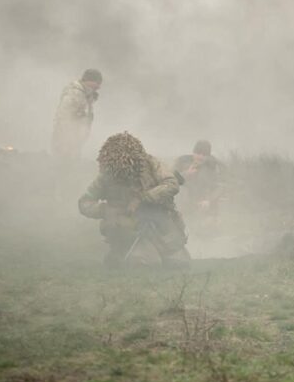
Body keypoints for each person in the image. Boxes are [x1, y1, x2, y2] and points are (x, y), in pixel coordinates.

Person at [78, 132, 190, 268]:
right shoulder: (106, 177)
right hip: (128, 228)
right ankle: (120, 254)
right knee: (145, 262)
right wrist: (106, 210)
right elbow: (84, 202)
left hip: (160, 224)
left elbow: (171, 184)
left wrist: (143, 198)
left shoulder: (152, 164)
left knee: (179, 262)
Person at [174, 140, 226, 229]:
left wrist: (208, 200)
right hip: (183, 203)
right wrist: (186, 174)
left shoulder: (211, 167)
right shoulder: (182, 163)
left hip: (202, 203)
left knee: (210, 226)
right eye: (198, 153)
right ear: (193, 152)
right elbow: (169, 180)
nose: (200, 157)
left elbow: (219, 187)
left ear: (208, 156)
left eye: (204, 154)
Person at [52, 69, 102, 158]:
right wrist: (68, 138)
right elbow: (64, 115)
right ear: (89, 81)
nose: (98, 87)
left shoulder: (86, 94)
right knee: (63, 162)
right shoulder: (75, 92)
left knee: (72, 162)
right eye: (97, 83)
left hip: (74, 141)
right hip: (66, 140)